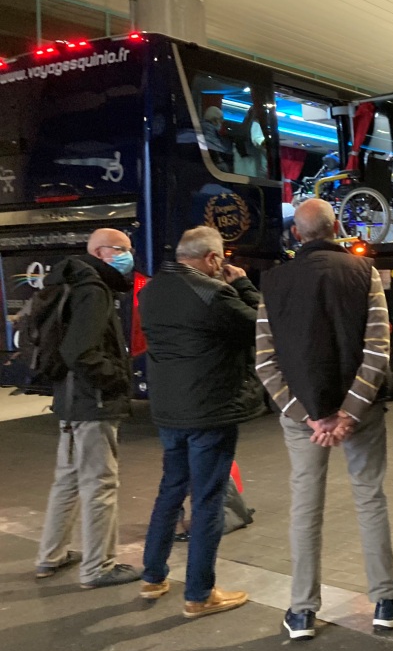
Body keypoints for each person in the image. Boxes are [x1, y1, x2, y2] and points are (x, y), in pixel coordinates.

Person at [256, 198, 393, 640]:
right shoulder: (364, 273)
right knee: (369, 498)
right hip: (361, 414)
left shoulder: (273, 282)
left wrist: (307, 417)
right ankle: (386, 600)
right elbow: (378, 348)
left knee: (305, 506)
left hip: (301, 421)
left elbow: (265, 361)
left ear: (297, 234)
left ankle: (301, 611)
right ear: (336, 228)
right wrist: (348, 413)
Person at [137, 226, 263, 618]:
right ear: (211, 258)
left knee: (170, 490)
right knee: (208, 499)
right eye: (221, 258)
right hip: (209, 410)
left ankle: (153, 576)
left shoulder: (151, 290)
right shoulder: (213, 292)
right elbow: (263, 325)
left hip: (168, 410)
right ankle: (199, 594)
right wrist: (242, 285)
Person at [34, 228, 140, 589]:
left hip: (69, 399)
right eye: (122, 249)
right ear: (100, 252)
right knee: (100, 483)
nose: (128, 256)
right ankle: (99, 567)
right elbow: (79, 351)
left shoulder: (67, 282)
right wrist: (116, 379)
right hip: (93, 401)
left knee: (67, 479)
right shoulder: (93, 290)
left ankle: (50, 556)